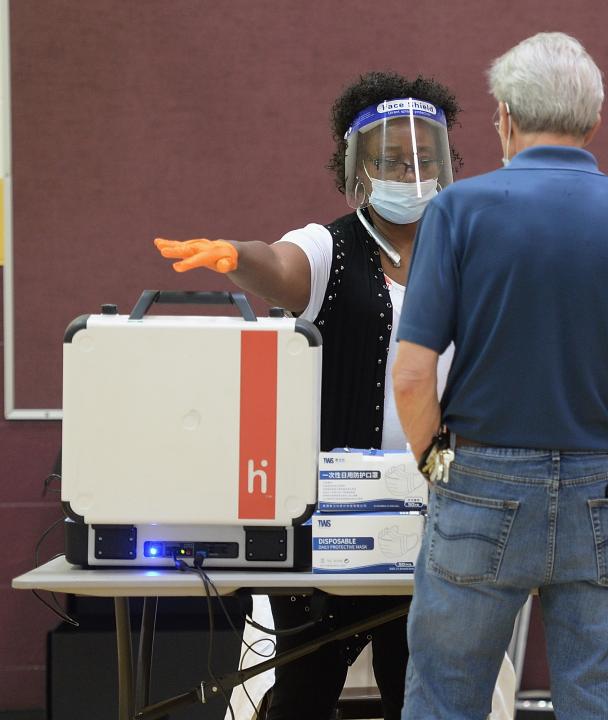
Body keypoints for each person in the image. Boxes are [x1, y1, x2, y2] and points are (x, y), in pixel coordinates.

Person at [393, 32, 608, 720]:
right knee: (596, 698)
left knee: (446, 698)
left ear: (505, 117)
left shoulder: (458, 210)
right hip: (603, 488)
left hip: (479, 483)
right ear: (593, 122)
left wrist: (436, 465)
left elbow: (414, 376)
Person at [154, 72, 461, 720]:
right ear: (357, 169)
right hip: (329, 527)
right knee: (304, 691)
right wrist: (236, 256)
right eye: (390, 161)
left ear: (446, 163)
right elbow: (277, 263)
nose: (410, 173)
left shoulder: (466, 255)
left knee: (417, 692)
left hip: (431, 519)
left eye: (423, 159)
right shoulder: (331, 249)